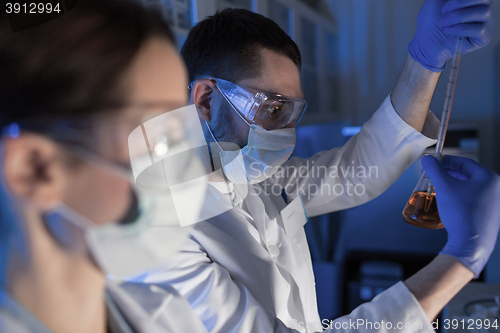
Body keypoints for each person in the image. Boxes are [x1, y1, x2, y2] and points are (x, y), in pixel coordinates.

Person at [139, 0, 496, 332]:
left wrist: (425, 60)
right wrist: (460, 259)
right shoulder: (157, 233)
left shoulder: (252, 173)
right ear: (206, 100)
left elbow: (357, 171)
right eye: (274, 109)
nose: (287, 135)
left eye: (293, 113)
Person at [0, 1, 208, 332]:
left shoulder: (172, 317)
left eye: (181, 131)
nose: (185, 167)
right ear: (34, 168)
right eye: (160, 135)